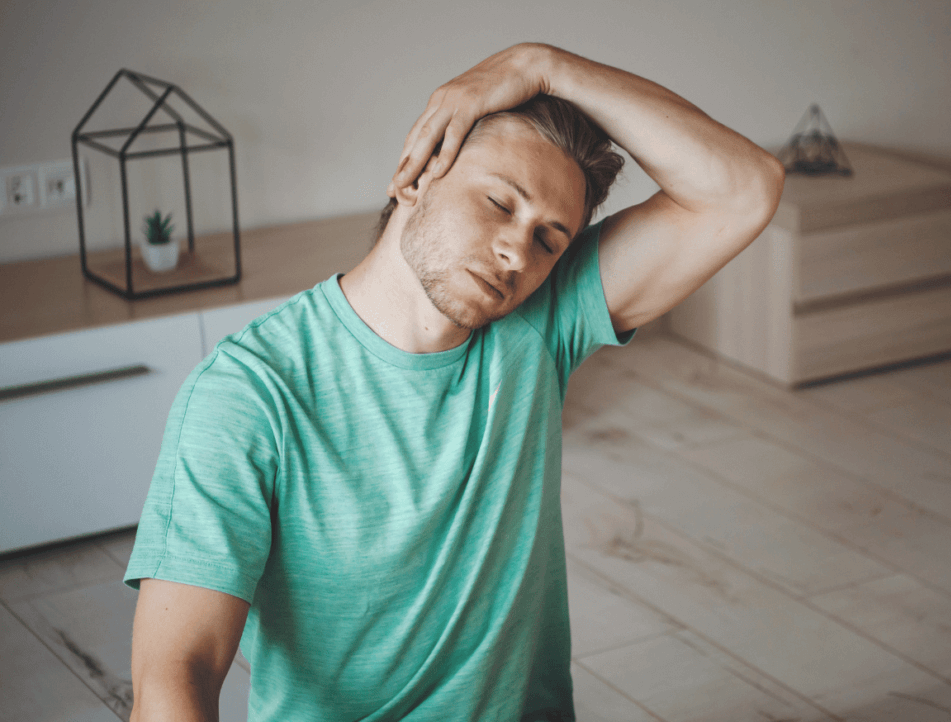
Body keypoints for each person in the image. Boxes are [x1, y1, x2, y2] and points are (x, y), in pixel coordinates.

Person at [125, 42, 784, 722]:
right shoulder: (247, 393)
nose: (516, 252)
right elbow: (176, 672)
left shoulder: (541, 323)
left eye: (549, 240)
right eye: (500, 203)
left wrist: (543, 65)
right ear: (416, 174)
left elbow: (746, 187)